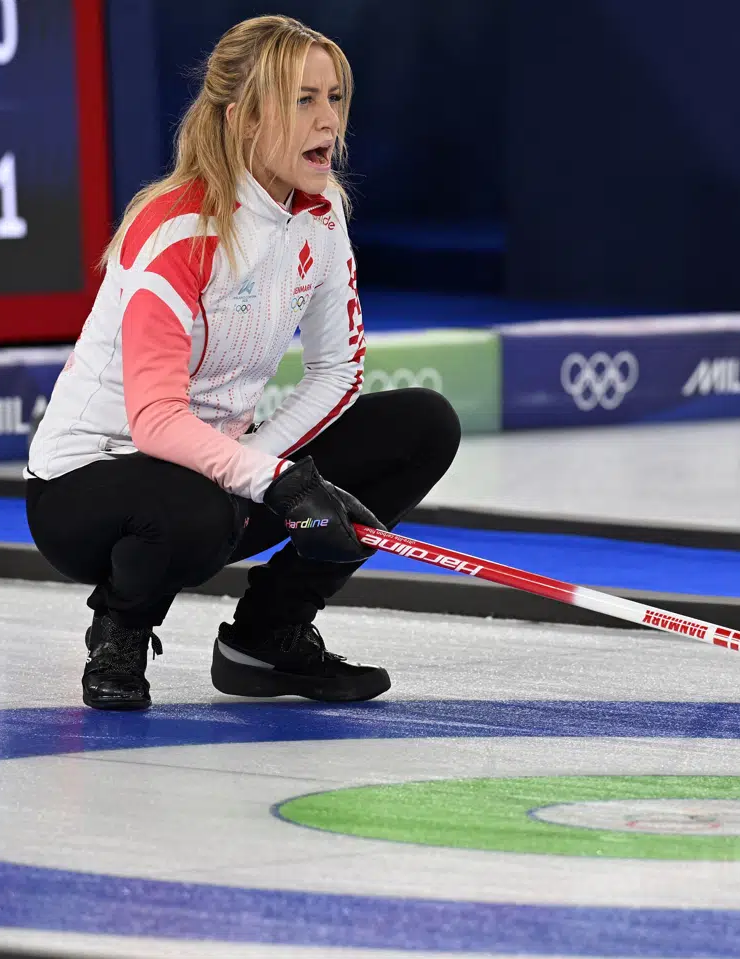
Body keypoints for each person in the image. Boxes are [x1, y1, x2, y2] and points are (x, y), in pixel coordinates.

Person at [25, 15, 460, 711]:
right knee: (194, 507)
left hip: (217, 472)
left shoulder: (321, 214)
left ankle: (267, 636)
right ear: (245, 118)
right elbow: (158, 419)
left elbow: (338, 371)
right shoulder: (175, 228)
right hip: (91, 484)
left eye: (335, 97)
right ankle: (122, 629)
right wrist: (278, 483)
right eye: (304, 100)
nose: (329, 120)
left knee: (422, 425)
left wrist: (261, 467)